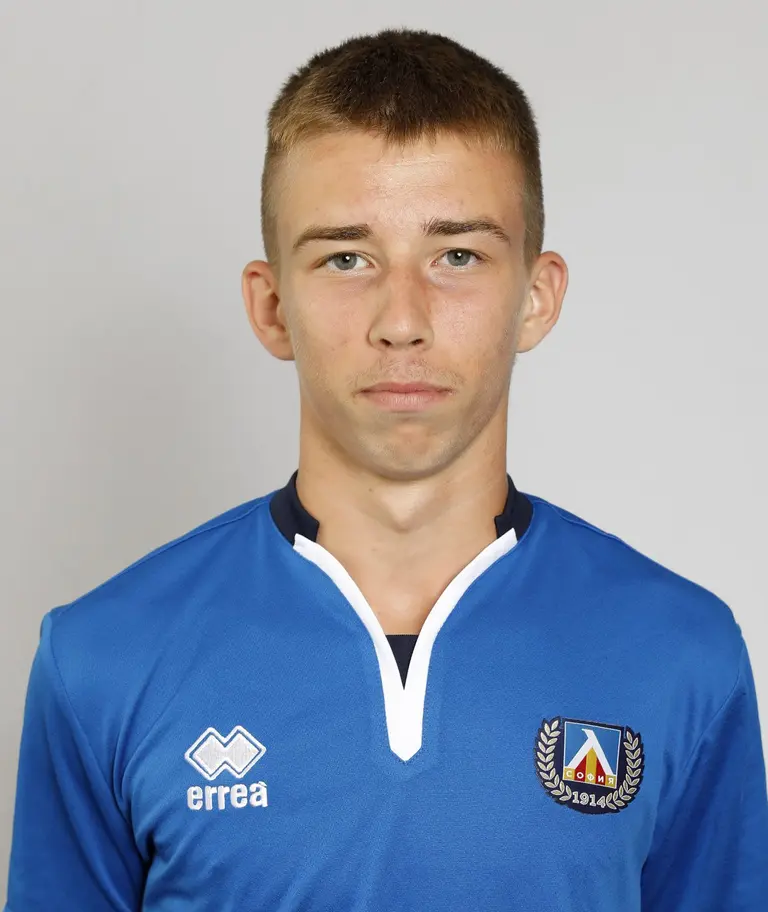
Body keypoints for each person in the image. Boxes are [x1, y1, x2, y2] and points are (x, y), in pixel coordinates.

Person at [4, 26, 767, 912]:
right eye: (347, 258)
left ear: (537, 296)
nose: (402, 320)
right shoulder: (102, 658)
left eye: (457, 256)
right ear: (271, 306)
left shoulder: (680, 653)